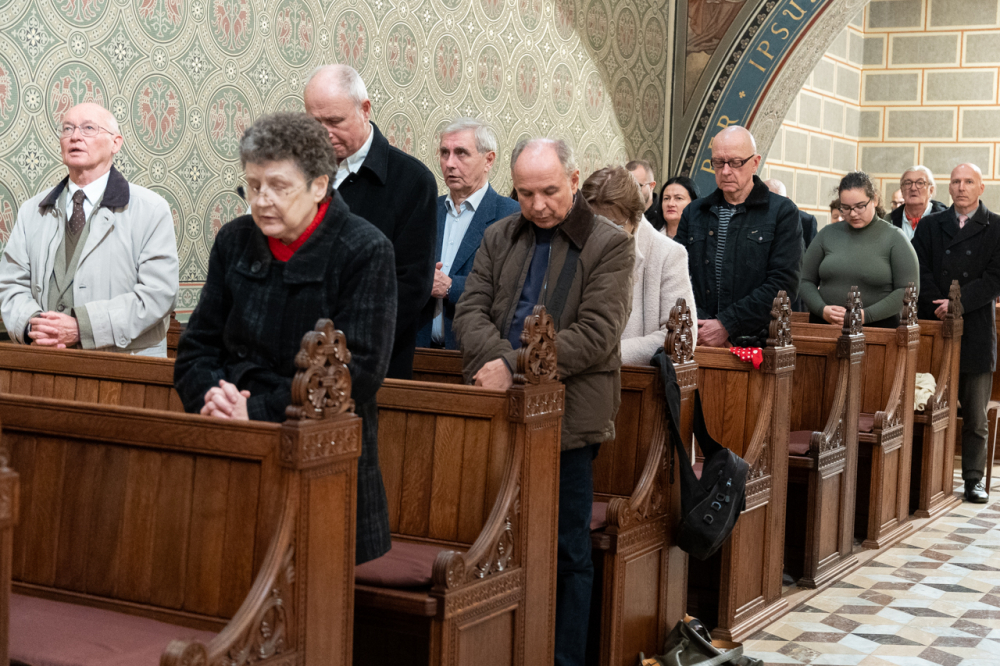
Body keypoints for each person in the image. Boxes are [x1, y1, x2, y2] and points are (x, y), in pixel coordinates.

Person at [173, 113, 396, 563]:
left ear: (319, 185)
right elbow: (196, 348)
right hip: (230, 446)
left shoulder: (365, 249)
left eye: (278, 186)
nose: (262, 201)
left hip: (323, 460)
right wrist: (214, 399)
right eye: (253, 185)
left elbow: (359, 372)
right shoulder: (234, 240)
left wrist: (254, 412)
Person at [454, 138, 633, 666]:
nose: (537, 205)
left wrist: (511, 366)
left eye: (550, 191)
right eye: (525, 193)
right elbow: (470, 312)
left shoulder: (609, 244)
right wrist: (499, 366)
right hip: (498, 411)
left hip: (568, 420)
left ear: (574, 181)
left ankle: (564, 659)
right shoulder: (500, 235)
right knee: (492, 543)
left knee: (565, 549)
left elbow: (596, 334)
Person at [0, 102, 178, 356]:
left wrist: (83, 328)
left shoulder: (151, 210)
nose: (75, 136)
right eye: (68, 128)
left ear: (116, 143)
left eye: (88, 128)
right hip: (44, 361)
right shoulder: (32, 211)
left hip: (124, 368)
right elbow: (10, 284)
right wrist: (34, 326)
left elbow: (158, 295)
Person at [303, 64, 436, 379]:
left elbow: (410, 287)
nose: (324, 133)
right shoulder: (297, 172)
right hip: (297, 358)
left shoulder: (412, 180)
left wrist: (337, 348)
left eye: (335, 121)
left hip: (370, 366)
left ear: (364, 110)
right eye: (314, 122)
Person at [912, 163, 1000, 503]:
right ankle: (927, 476)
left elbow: (994, 279)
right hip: (935, 326)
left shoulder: (996, 226)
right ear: (948, 188)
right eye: (956, 181)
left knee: (975, 415)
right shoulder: (931, 225)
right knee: (930, 405)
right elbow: (918, 268)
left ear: (981, 188)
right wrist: (940, 302)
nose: (961, 187)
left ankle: (974, 479)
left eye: (968, 182)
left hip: (975, 329)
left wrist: (958, 303)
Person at [676, 126, 802, 347]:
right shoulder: (694, 213)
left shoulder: (782, 212)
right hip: (699, 336)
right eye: (718, 163)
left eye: (735, 163)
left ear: (755, 163)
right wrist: (703, 324)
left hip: (756, 342)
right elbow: (677, 274)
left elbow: (784, 284)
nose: (725, 171)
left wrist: (727, 325)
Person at [415, 118, 519, 350]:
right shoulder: (425, 209)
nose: (450, 163)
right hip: (420, 351)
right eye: (444, 153)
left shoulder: (511, 216)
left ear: (488, 160)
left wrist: (451, 287)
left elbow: (511, 289)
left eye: (461, 153)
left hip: (476, 354)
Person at [582, 166, 697, 364]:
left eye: (614, 225)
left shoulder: (668, 254)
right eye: (595, 224)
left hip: (637, 376)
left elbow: (680, 337)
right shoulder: (579, 247)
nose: (603, 234)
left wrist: (601, 356)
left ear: (635, 218)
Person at [799, 171, 919, 329]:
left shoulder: (895, 238)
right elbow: (805, 280)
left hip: (877, 329)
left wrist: (864, 315)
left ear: (874, 199)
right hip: (825, 326)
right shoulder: (827, 234)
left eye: (860, 206)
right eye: (845, 208)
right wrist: (822, 309)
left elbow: (907, 290)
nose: (853, 213)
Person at [890, 166, 947, 240]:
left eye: (920, 183)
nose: (913, 188)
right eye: (908, 183)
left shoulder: (946, 220)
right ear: (902, 190)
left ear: (931, 190)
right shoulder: (889, 221)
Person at [765, 177, 817, 248]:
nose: (773, 206)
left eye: (777, 201)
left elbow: (813, 253)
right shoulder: (754, 219)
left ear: (787, 200)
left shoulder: (806, 221)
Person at [626, 159, 663, 229]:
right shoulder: (621, 213)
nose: (631, 191)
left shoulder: (664, 214)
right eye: (626, 186)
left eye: (637, 186)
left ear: (652, 185)